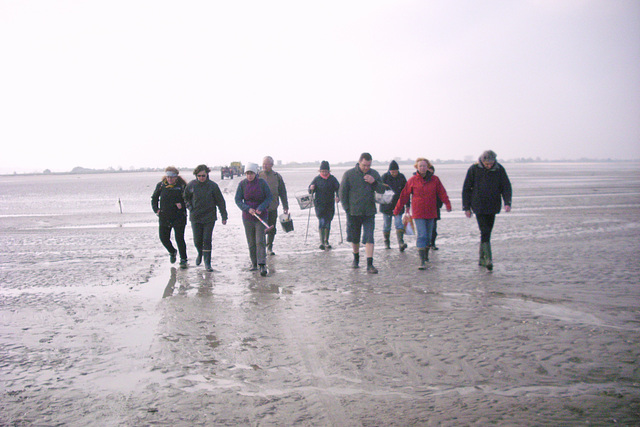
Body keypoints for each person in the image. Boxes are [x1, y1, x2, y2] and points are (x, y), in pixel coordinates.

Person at [394, 158, 452, 270]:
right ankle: (422, 261)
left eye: (424, 166)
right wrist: (397, 210)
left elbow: (442, 192)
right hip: (418, 212)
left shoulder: (435, 180)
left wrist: (447, 204)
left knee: (429, 236)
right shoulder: (412, 180)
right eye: (420, 166)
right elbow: (404, 195)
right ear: (417, 167)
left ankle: (425, 256)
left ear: (428, 167)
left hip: (431, 212)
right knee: (422, 235)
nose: (422, 168)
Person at [462, 150, 512, 271]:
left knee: (487, 231)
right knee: (484, 230)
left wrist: (507, 202)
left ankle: (482, 258)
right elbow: (466, 189)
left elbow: (506, 186)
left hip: (493, 205)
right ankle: (488, 259)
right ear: (482, 161)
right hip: (478, 205)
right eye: (487, 163)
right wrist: (466, 207)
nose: (489, 166)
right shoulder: (474, 169)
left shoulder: (499, 169)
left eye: (491, 163)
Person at [339, 152, 385, 273]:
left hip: (369, 211)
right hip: (353, 212)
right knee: (355, 238)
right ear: (359, 162)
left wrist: (374, 182)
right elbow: (342, 193)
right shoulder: (349, 174)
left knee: (370, 237)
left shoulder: (374, 174)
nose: (366, 168)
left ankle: (370, 264)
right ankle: (356, 258)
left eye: (368, 165)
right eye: (364, 165)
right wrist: (347, 209)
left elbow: (382, 190)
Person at [184, 164, 228, 272]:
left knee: (207, 239)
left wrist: (224, 216)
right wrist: (190, 207)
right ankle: (200, 253)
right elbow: (185, 198)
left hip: (209, 217)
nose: (201, 178)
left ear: (207, 174)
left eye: (203, 175)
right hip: (196, 217)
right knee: (197, 240)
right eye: (199, 176)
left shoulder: (213, 186)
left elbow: (220, 201)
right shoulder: (191, 185)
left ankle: (207, 263)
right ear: (196, 175)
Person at [235, 162, 273, 276]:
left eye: (251, 173)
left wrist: (261, 207)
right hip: (247, 217)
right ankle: (254, 263)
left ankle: (262, 265)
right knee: (251, 242)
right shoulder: (242, 184)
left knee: (260, 241)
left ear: (255, 173)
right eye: (247, 173)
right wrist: (247, 209)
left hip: (261, 216)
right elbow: (237, 200)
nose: (249, 176)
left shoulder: (262, 183)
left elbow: (269, 197)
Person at [151, 166, 189, 268]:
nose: (169, 179)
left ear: (176, 177)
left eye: (172, 177)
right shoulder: (161, 185)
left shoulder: (182, 186)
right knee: (163, 238)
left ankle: (184, 259)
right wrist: (157, 210)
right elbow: (154, 199)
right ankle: (172, 252)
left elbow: (189, 200)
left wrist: (182, 204)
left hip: (179, 216)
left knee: (179, 238)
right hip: (164, 216)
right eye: (168, 177)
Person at [258, 156, 289, 256]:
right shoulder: (258, 176)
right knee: (260, 229)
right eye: (263, 164)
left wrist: (285, 206)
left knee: (272, 227)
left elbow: (282, 192)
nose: (264, 166)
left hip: (273, 207)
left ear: (271, 165)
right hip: (260, 209)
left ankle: (269, 247)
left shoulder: (277, 176)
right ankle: (261, 247)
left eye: (266, 164)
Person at [308, 160, 340, 250]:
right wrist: (311, 188)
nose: (324, 173)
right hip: (319, 204)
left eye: (326, 171)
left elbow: (338, 188)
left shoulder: (333, 179)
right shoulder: (317, 179)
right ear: (320, 171)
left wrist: (338, 196)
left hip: (330, 204)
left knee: (328, 222)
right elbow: (310, 190)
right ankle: (322, 242)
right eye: (322, 171)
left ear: (329, 171)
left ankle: (326, 241)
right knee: (322, 221)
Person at [380, 160, 409, 251]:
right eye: (392, 172)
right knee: (387, 225)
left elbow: (406, 192)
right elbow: (379, 190)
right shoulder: (384, 177)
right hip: (386, 206)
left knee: (399, 224)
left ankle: (400, 243)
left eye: (395, 172)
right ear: (389, 171)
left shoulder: (401, 177)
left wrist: (408, 204)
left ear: (398, 170)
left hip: (398, 205)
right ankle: (386, 242)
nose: (393, 173)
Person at [429, 165, 443, 250]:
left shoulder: (436, 180)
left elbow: (440, 193)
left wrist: (439, 204)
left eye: (431, 172)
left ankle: (432, 243)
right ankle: (425, 245)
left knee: (433, 228)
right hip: (423, 210)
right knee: (424, 229)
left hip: (434, 209)